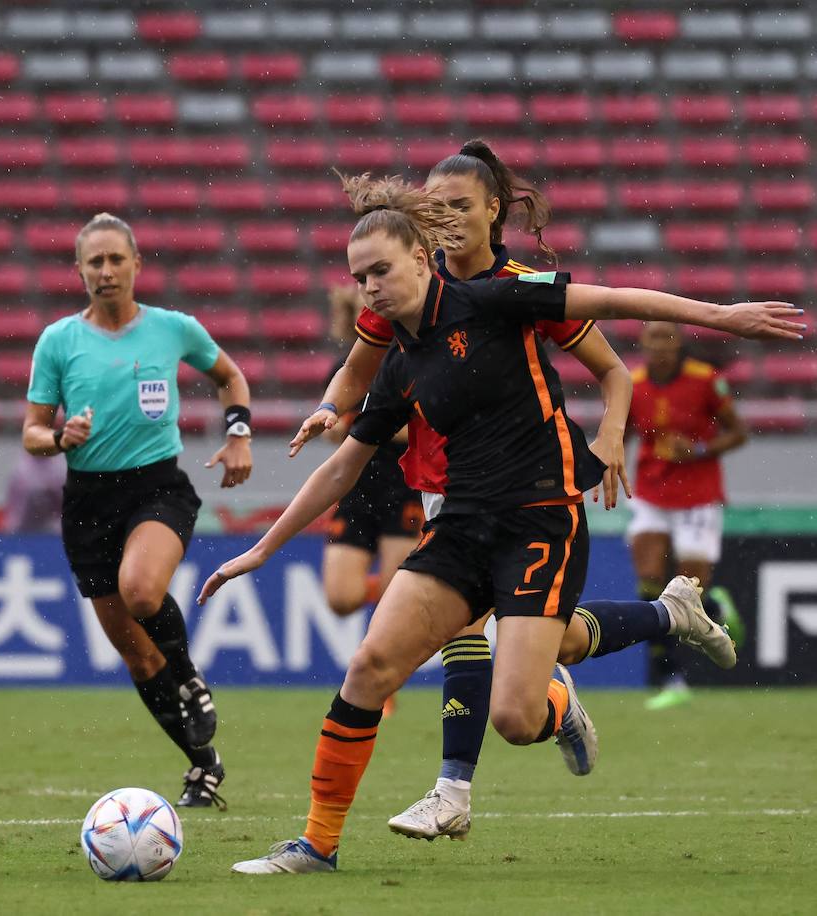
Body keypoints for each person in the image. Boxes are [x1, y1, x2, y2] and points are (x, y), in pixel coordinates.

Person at [201, 173, 798, 875]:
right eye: (359, 278)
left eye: (381, 271)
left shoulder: (495, 297)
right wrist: (262, 551)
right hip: (461, 529)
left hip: (540, 517)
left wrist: (724, 318)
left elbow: (614, 299)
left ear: (422, 261)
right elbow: (341, 469)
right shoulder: (400, 366)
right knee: (369, 667)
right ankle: (317, 846)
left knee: (515, 719)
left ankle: (657, 625)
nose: (369, 288)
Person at [299, 141, 638, 842]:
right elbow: (359, 375)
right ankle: (471, 772)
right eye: (437, 207)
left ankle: (455, 785)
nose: (447, 219)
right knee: (521, 637)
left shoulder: (516, 287)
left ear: (494, 210)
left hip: (516, 484)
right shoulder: (400, 282)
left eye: (461, 206)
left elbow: (613, 369)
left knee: (495, 639)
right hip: (434, 480)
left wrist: (609, 439)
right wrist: (333, 408)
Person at [23, 212, 252, 810]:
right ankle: (204, 766)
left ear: (136, 265)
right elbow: (30, 432)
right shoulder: (59, 341)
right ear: (78, 271)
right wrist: (58, 439)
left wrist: (238, 434)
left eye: (115, 259)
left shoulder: (173, 330)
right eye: (94, 261)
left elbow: (229, 376)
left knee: (142, 593)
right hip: (87, 501)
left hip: (157, 488)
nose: (105, 271)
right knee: (134, 651)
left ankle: (192, 680)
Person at [627, 321, 748, 710]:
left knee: (689, 587)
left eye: (667, 338)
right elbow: (620, 432)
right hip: (650, 492)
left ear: (678, 344)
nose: (659, 346)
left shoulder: (705, 380)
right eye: (652, 339)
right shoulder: (632, 383)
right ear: (642, 344)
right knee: (650, 580)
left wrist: (697, 450)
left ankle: (713, 605)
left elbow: (739, 432)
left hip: (698, 494)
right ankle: (669, 677)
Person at [320, 283, 422, 624]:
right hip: (357, 486)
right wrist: (336, 426)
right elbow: (336, 429)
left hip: (404, 483)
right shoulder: (345, 368)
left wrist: (365, 427)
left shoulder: (412, 359)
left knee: (397, 604)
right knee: (340, 596)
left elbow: (423, 428)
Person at [3, 450, 66, 534]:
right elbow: (17, 510)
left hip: (53, 530)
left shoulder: (60, 465)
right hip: (22, 528)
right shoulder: (20, 469)